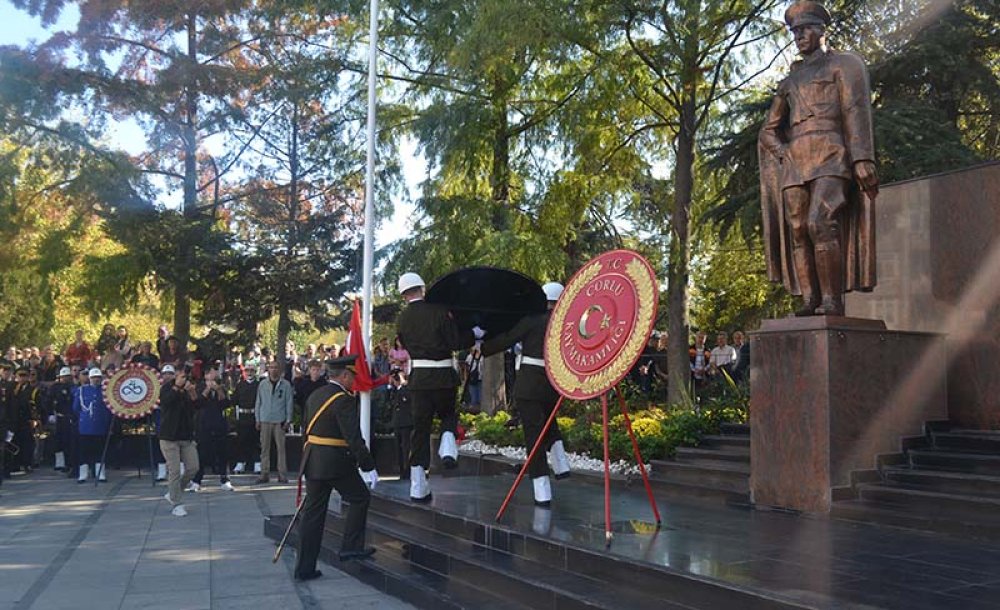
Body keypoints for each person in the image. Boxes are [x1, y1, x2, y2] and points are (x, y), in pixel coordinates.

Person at [759, 0, 878, 316]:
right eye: (794, 31)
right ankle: (809, 298)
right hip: (796, 161)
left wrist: (863, 158)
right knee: (798, 229)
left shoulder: (845, 65)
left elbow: (855, 110)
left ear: (821, 30)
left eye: (804, 29)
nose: (798, 36)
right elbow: (768, 131)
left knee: (820, 221)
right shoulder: (789, 82)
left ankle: (831, 300)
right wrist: (784, 153)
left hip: (831, 153)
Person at [481, 282, 571, 506]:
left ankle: (542, 490)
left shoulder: (532, 319)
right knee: (550, 424)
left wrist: (483, 346)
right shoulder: (564, 323)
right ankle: (561, 464)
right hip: (554, 383)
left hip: (530, 384)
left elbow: (508, 339)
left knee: (534, 436)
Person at [395, 272, 480, 502]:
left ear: (404, 295)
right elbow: (454, 342)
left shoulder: (401, 319)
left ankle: (418, 487)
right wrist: (474, 334)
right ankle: (448, 448)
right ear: (422, 288)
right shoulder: (439, 311)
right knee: (448, 415)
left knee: (419, 430)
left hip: (419, 379)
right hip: (443, 376)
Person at [294, 356, 378, 580]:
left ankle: (304, 567)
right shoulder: (343, 399)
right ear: (344, 375)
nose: (354, 382)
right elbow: (353, 436)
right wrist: (368, 464)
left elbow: (306, 429)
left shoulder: (315, 395)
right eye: (352, 377)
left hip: (313, 460)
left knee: (313, 515)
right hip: (336, 462)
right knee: (360, 497)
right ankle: (350, 546)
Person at [159, 365, 199, 516]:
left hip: (186, 436)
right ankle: (177, 503)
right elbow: (166, 402)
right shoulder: (167, 388)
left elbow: (197, 405)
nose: (184, 378)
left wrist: (191, 391)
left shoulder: (188, 388)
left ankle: (173, 491)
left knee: (193, 468)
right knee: (174, 471)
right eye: (181, 375)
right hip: (169, 436)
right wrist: (177, 387)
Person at [188, 365, 232, 491]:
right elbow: (197, 403)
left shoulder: (222, 387)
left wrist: (218, 390)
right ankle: (197, 481)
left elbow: (226, 404)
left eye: (215, 376)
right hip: (203, 425)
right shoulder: (200, 387)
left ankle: (225, 479)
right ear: (206, 376)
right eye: (211, 376)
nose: (213, 379)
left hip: (219, 425)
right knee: (201, 454)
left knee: (222, 453)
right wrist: (208, 389)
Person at [255, 360, 293, 484]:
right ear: (268, 369)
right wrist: (257, 419)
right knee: (264, 449)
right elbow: (258, 402)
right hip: (265, 419)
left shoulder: (286, 385)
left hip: (279, 420)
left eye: (276, 367)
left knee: (281, 449)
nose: (274, 370)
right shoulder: (262, 384)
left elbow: (289, 402)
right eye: (271, 367)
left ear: (280, 370)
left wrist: (288, 419)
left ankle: (282, 474)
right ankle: (264, 474)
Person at [73, 368, 112, 483]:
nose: (96, 380)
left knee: (100, 451)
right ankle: (83, 474)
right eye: (94, 377)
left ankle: (101, 473)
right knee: (84, 451)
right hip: (86, 426)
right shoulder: (81, 391)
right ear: (89, 378)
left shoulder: (105, 391)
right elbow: (76, 408)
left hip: (100, 426)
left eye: (98, 377)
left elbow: (109, 409)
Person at [45, 367, 76, 474]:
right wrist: (50, 414)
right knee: (58, 441)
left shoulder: (73, 387)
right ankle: (59, 463)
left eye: (67, 376)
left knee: (69, 441)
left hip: (70, 417)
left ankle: (69, 463)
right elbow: (48, 401)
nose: (65, 379)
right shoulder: (55, 387)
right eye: (63, 377)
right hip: (58, 416)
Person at [233, 364, 261, 475]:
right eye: (247, 370)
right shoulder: (240, 385)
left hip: (254, 415)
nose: (249, 373)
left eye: (252, 370)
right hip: (243, 415)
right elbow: (234, 400)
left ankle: (257, 463)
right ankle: (240, 462)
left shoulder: (259, 385)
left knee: (256, 440)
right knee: (241, 440)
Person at [388, 370, 413, 480]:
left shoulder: (406, 389)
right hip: (397, 423)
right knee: (398, 449)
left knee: (406, 448)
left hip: (406, 423)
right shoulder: (394, 390)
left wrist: (402, 384)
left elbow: (408, 398)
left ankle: (407, 471)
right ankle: (401, 470)